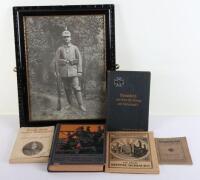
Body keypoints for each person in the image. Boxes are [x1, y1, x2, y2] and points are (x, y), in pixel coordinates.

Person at [55, 27, 86, 112]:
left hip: (74, 72)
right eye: (64, 37)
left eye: (68, 37)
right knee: (67, 88)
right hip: (64, 72)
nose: (66, 38)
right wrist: (57, 72)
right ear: (63, 38)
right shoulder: (60, 49)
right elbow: (56, 61)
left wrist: (79, 71)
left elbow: (79, 59)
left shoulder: (75, 48)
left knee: (77, 87)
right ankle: (70, 104)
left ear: (70, 38)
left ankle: (81, 105)